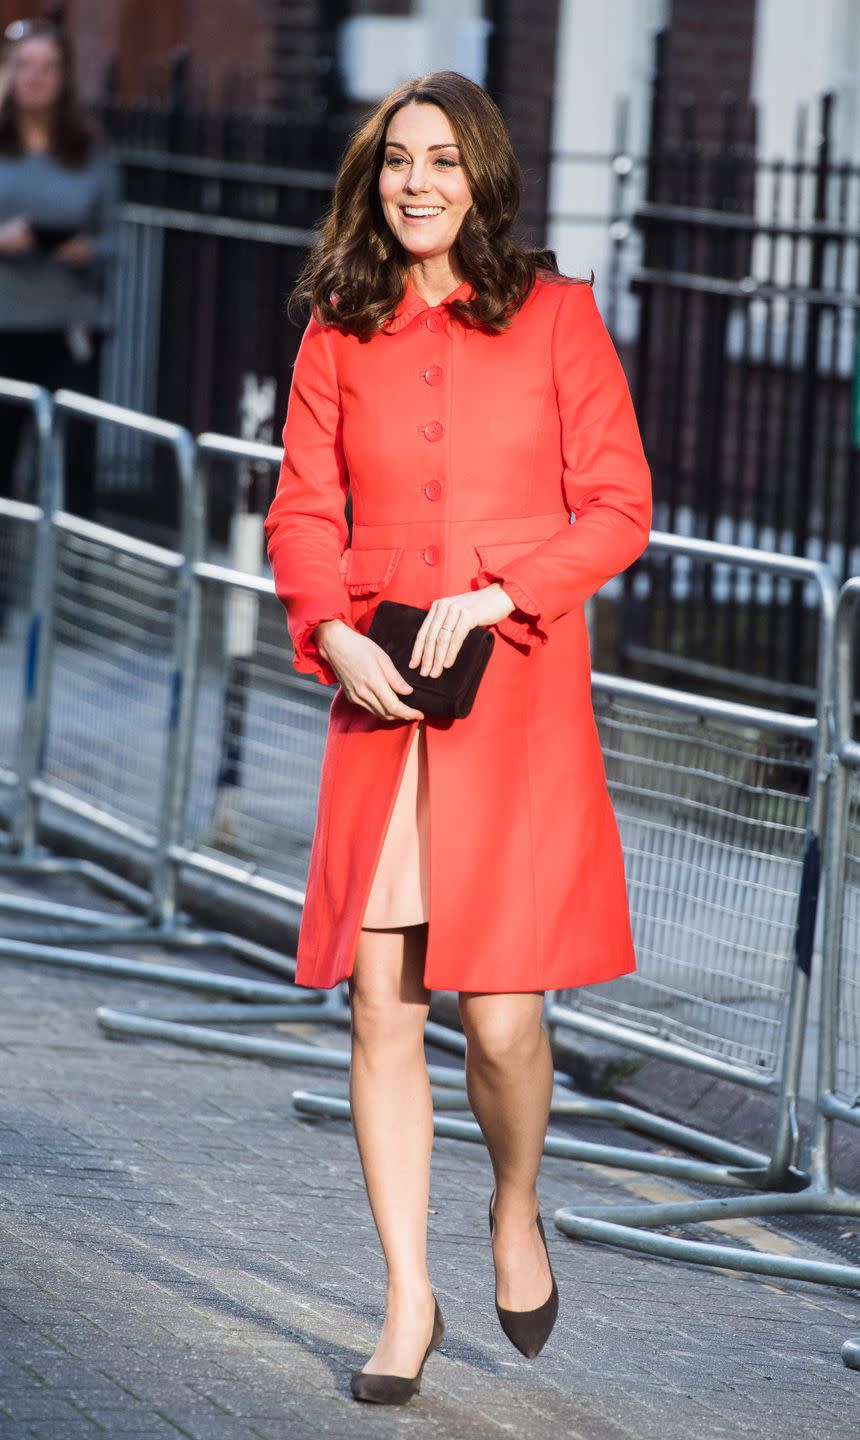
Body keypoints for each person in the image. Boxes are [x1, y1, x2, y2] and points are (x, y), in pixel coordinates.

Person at [264, 70, 651, 1405]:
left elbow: (619, 505)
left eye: (440, 160)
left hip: (516, 706)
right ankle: (407, 1298)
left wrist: (505, 589)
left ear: (482, 176)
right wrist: (335, 633)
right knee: (383, 1001)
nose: (415, 182)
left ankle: (514, 1203)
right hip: (379, 702)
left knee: (500, 1025)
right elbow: (298, 515)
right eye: (394, 162)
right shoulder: (337, 328)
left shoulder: (558, 320)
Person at [0, 18, 118, 516]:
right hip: (6, 326)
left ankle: (72, 586)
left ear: (64, 78)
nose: (36, 77)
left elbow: (115, 237)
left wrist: (86, 250)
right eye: (26, 66)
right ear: (9, 72)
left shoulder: (92, 151)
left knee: (75, 467)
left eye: (49, 67)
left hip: (71, 326)